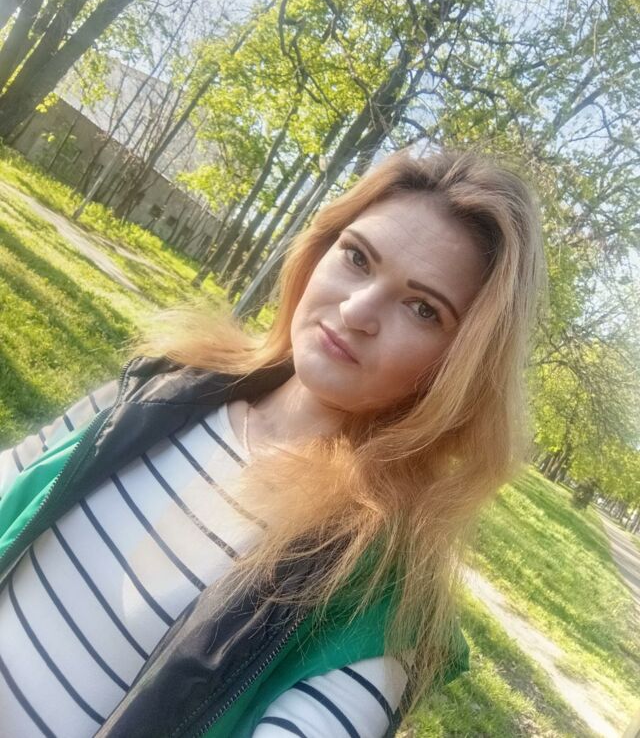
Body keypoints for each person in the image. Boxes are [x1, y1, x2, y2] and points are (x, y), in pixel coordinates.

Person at [0, 147, 545, 737]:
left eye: (422, 308)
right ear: (318, 252)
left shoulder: (376, 597)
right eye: (357, 258)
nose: (357, 310)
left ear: (460, 368)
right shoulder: (168, 385)